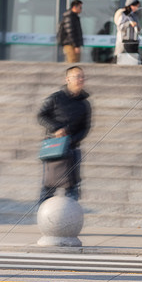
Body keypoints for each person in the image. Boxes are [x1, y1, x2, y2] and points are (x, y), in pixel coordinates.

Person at [37, 66, 92, 205]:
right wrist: (56, 129)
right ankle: (44, 216)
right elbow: (41, 116)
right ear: (67, 79)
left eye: (82, 77)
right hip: (54, 147)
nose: (80, 79)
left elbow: (85, 128)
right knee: (49, 186)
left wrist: (72, 140)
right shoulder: (56, 98)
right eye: (76, 76)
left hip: (73, 148)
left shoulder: (85, 104)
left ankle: (69, 218)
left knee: (72, 186)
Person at [114, 0, 140, 65]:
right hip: (124, 42)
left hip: (133, 41)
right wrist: (129, 24)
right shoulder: (123, 14)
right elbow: (120, 27)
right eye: (136, 6)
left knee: (133, 60)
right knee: (122, 60)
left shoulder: (134, 15)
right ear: (131, 5)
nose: (137, 8)